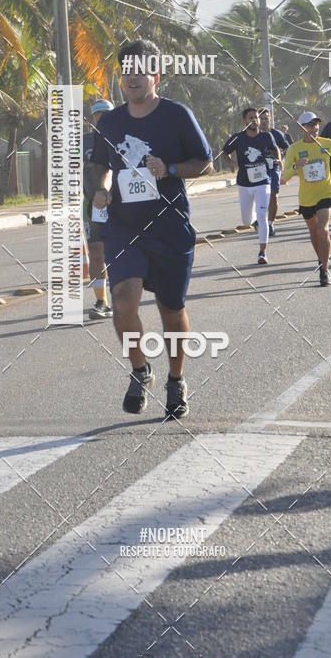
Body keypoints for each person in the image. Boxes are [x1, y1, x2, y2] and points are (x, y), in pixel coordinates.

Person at [91, 39, 213, 418]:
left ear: (155, 76)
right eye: (126, 71)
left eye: (140, 71)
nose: (132, 78)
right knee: (123, 301)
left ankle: (176, 379)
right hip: (124, 228)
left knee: (170, 310)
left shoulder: (177, 115)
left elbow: (205, 162)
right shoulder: (110, 122)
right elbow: (99, 165)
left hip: (170, 229)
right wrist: (99, 190)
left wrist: (170, 169)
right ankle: (140, 370)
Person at [281, 111, 331, 286]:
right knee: (313, 232)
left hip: (325, 193)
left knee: (323, 229)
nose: (314, 128)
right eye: (310, 125)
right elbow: (283, 178)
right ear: (302, 128)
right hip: (306, 198)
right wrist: (295, 166)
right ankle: (321, 261)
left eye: (316, 125)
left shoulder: (327, 143)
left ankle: (325, 270)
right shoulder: (294, 149)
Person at [222, 107, 279, 264]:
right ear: (244, 121)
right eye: (250, 118)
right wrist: (230, 162)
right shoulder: (237, 138)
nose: (254, 120)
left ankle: (262, 252)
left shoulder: (266, 136)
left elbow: (275, 149)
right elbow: (225, 152)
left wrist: (278, 160)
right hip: (244, 183)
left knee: (262, 215)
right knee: (246, 221)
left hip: (263, 182)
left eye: (256, 117)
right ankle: (254, 222)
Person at [84, 98, 114, 319]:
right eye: (98, 115)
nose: (102, 119)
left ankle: (125, 295)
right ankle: (102, 301)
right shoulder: (83, 141)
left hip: (119, 202)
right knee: (96, 253)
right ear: (92, 119)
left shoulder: (122, 137)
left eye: (106, 115)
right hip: (92, 204)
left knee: (122, 251)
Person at [259, 108, 288, 237]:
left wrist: (281, 157)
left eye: (266, 118)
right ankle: (259, 220)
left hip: (273, 167)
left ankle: (270, 223)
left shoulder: (277, 134)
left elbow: (287, 147)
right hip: (258, 168)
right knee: (259, 196)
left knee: (273, 195)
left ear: (270, 119)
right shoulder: (254, 134)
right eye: (261, 118)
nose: (264, 121)